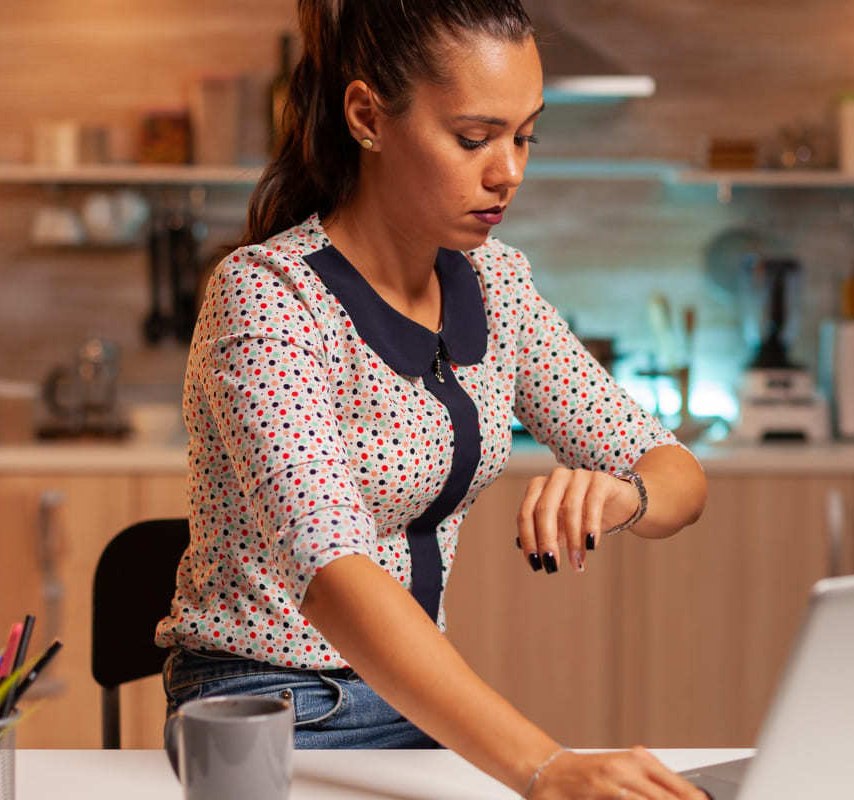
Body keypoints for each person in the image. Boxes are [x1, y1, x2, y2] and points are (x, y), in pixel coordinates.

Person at [156, 1, 708, 797]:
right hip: (273, 713)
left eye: (525, 137)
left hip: (418, 708)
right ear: (367, 117)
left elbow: (677, 473)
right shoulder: (268, 297)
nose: (508, 171)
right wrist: (546, 768)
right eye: (475, 138)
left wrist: (627, 494)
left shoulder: (496, 283)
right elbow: (331, 570)